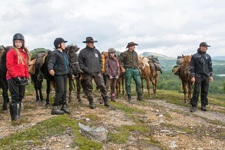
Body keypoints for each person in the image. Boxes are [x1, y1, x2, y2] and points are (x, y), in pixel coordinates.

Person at [78, 37, 110, 109]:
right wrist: (86, 70)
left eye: (93, 43)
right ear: (87, 43)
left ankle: (106, 101)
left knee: (102, 86)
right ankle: (91, 102)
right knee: (89, 88)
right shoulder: (82, 52)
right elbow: (80, 64)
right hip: (87, 73)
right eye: (91, 43)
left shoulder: (96, 51)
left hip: (97, 72)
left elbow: (100, 61)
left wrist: (100, 68)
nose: (92, 44)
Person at [7, 33, 31, 121]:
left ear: (22, 43)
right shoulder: (11, 52)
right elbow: (9, 65)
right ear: (14, 43)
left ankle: (18, 114)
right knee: (15, 96)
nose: (18, 44)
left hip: (21, 78)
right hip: (12, 78)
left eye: (19, 42)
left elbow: (25, 66)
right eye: (16, 42)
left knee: (21, 96)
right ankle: (14, 117)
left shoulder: (23, 53)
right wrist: (15, 77)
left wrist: (27, 77)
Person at [48, 37, 74, 115]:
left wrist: (71, 73)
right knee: (60, 91)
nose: (64, 45)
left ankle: (63, 106)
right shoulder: (55, 53)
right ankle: (55, 108)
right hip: (58, 75)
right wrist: (50, 69)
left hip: (65, 75)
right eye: (63, 44)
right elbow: (51, 62)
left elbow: (67, 65)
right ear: (58, 45)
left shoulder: (64, 54)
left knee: (64, 91)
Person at [190, 42, 213, 112]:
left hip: (206, 76)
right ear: (201, 47)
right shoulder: (194, 56)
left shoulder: (208, 56)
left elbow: (210, 66)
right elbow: (192, 67)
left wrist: (211, 75)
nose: (206, 48)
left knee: (205, 91)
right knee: (196, 91)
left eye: (207, 47)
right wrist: (192, 76)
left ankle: (203, 105)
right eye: (205, 47)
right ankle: (194, 106)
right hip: (198, 76)